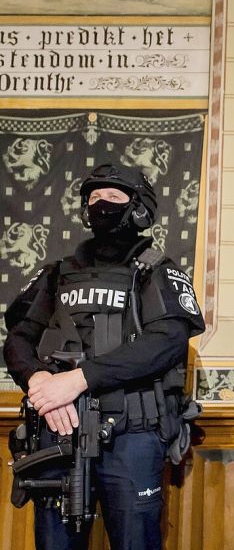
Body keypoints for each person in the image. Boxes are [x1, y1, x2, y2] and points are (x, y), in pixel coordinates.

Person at [3, 163, 205, 550]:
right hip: (58, 428)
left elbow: (166, 342)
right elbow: (19, 339)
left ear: (139, 207)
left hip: (131, 433)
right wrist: (40, 382)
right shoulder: (57, 273)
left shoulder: (155, 271)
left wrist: (78, 380)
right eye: (94, 197)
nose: (101, 204)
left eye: (114, 196)